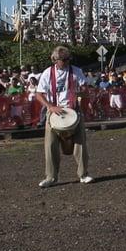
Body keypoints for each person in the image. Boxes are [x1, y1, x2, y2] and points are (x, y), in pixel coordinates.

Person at [36, 46, 93, 188]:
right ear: (55, 60)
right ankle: (51, 177)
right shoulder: (47, 73)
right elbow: (39, 94)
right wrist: (50, 106)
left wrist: (81, 93)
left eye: (68, 59)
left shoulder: (76, 72)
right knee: (50, 145)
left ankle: (83, 174)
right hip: (54, 112)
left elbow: (86, 91)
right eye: (64, 59)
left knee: (80, 144)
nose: (67, 62)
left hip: (73, 110)